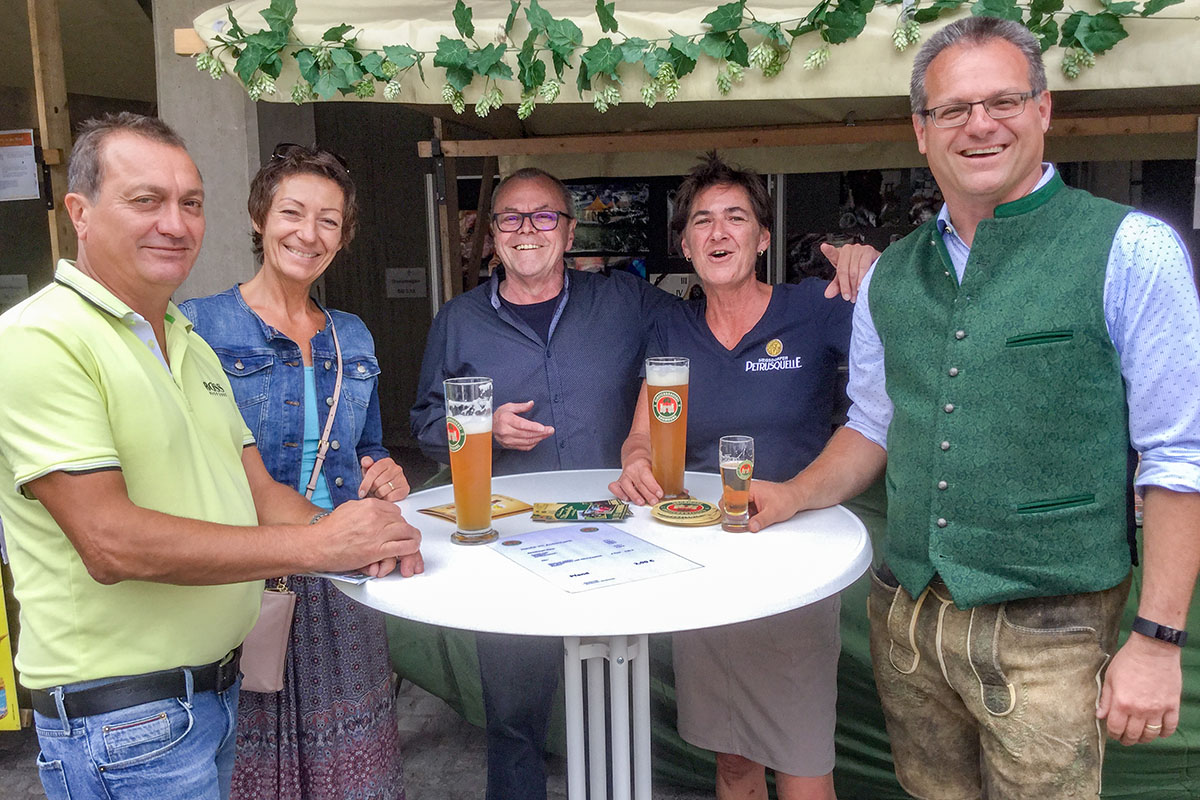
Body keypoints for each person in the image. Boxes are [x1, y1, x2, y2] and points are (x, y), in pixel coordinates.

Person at [749, 17, 1200, 799]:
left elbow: (1179, 454)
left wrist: (1158, 641)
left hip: (1052, 627)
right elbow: (871, 424)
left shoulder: (1131, 248)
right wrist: (791, 494)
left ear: (1043, 110)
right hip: (908, 618)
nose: (980, 124)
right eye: (953, 109)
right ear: (921, 131)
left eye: (1002, 101)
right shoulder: (890, 274)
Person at [0, 113, 422, 800]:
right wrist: (322, 548)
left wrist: (359, 536)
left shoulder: (179, 338)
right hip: (125, 717)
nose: (174, 222)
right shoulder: (40, 338)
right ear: (79, 211)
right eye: (146, 200)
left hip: (209, 694)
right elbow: (110, 544)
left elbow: (257, 489)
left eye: (189, 203)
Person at [609, 153, 875, 800]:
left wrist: (871, 266)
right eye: (702, 221)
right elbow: (644, 431)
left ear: (762, 238)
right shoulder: (672, 327)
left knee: (804, 765)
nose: (718, 233)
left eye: (736, 217)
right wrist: (636, 460)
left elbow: (887, 379)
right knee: (732, 764)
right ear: (685, 244)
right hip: (707, 565)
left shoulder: (816, 308)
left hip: (796, 563)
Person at [410, 167, 678, 800]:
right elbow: (423, 421)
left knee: (617, 703)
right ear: (491, 233)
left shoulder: (625, 301)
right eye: (511, 218)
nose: (527, 230)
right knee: (513, 717)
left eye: (543, 217)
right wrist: (484, 427)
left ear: (569, 229)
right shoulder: (459, 320)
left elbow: (716, 319)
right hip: (511, 547)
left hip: (616, 537)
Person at [178, 144, 407, 799]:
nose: (308, 233)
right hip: (250, 574)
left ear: (343, 236)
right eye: (292, 212)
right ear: (259, 217)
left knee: (351, 768)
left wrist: (383, 470)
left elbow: (365, 447)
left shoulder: (353, 335)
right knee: (252, 765)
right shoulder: (199, 326)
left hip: (341, 582)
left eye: (328, 221)